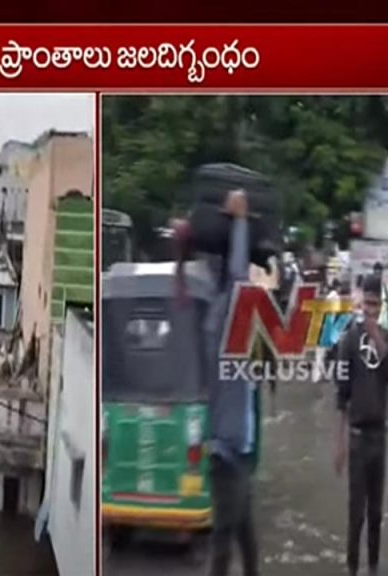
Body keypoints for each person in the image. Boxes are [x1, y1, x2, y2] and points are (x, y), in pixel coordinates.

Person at [177, 189, 260, 576]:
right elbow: (240, 276)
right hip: (228, 447)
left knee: (242, 531)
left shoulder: (211, 319)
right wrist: (240, 221)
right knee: (228, 533)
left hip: (232, 445)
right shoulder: (221, 318)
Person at [335, 275, 388, 576]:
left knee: (376, 513)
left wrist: (378, 338)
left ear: (380, 306)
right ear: (361, 306)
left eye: (376, 305)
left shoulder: (387, 337)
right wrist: (339, 445)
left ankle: (373, 567)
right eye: (367, 305)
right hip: (358, 438)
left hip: (380, 437)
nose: (371, 311)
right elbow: (342, 395)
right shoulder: (348, 340)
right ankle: (351, 568)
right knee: (355, 513)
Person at [372, 262, 388, 339]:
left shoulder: (386, 289)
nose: (378, 276)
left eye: (379, 274)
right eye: (376, 274)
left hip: (383, 327)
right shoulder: (369, 288)